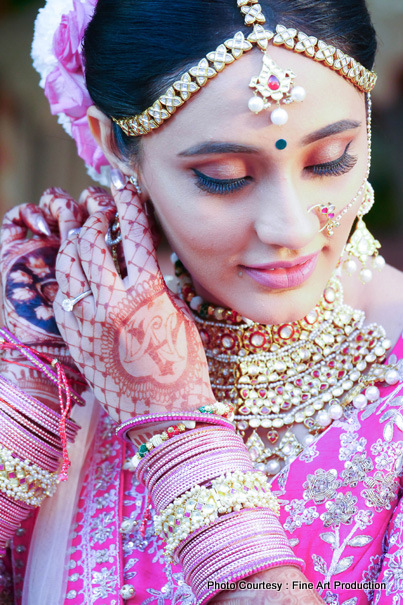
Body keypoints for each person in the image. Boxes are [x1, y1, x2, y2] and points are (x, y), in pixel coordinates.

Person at [0, 0, 402, 603]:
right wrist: (30, 404)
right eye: (223, 175)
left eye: (329, 160)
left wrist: (176, 437)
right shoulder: (55, 321)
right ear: (114, 146)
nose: (290, 228)